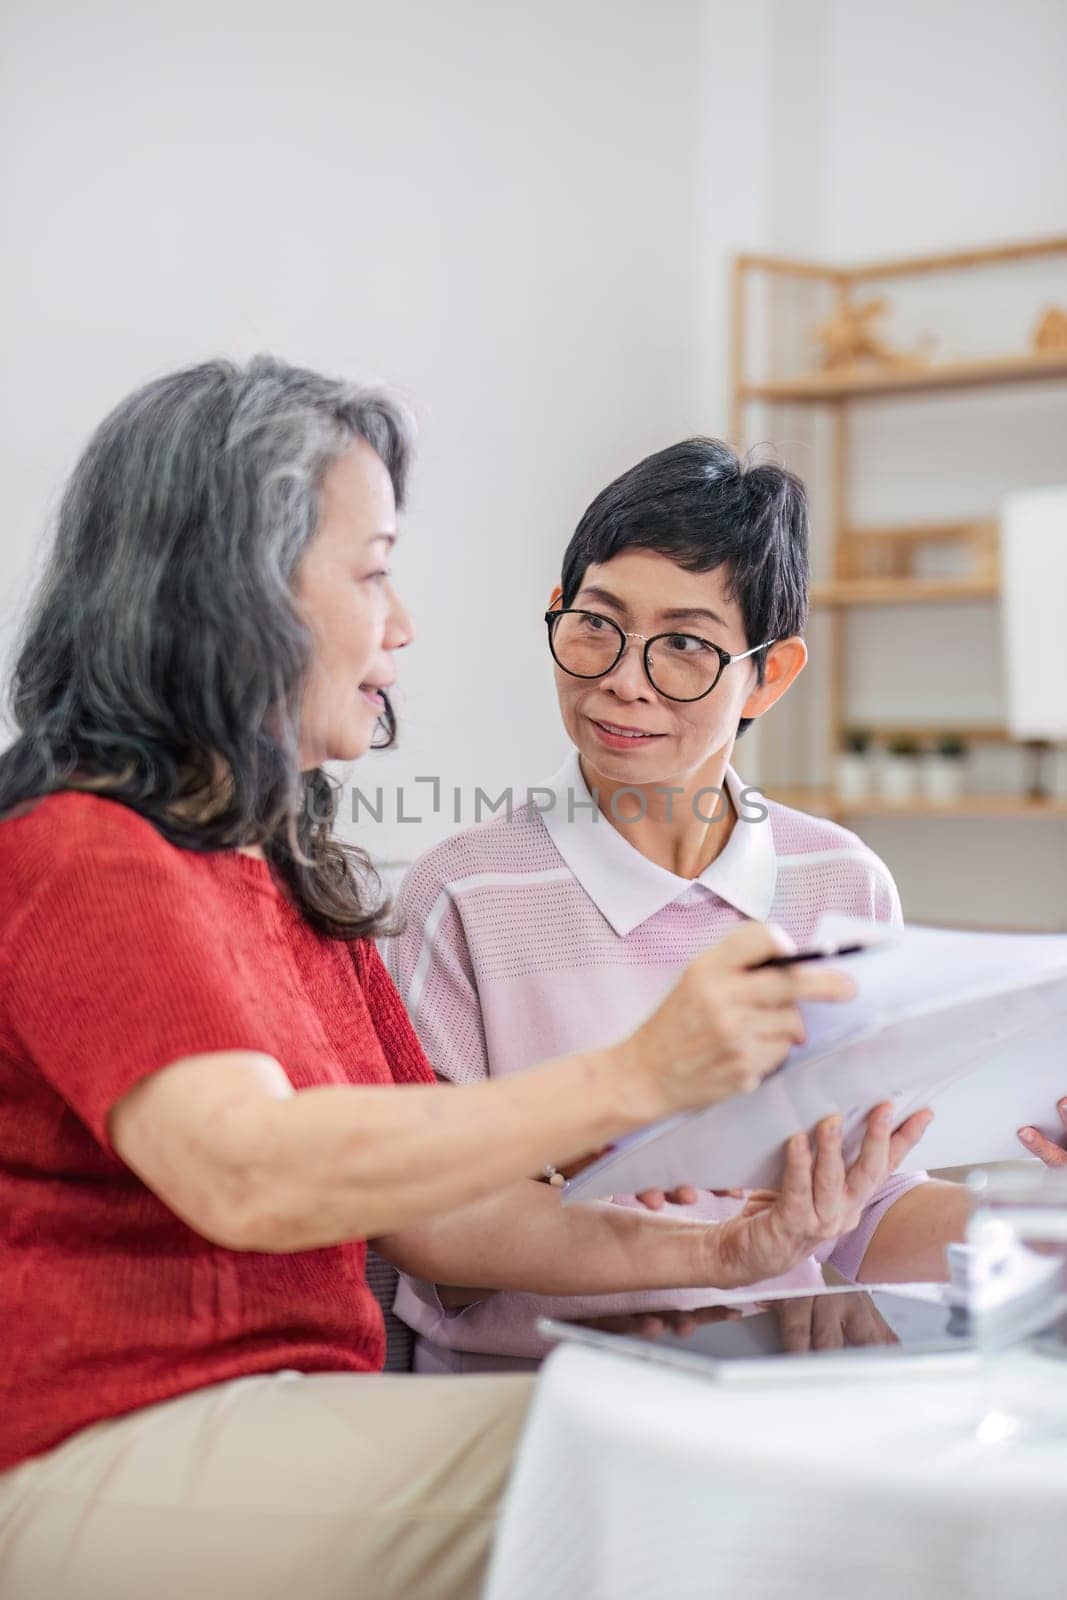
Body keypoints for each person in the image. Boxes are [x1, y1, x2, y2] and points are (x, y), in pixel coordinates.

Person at [0, 359, 867, 1600]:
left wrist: (738, 1250)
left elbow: (450, 1221)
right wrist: (633, 1076)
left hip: (293, 1422)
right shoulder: (81, 851)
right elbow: (248, 1165)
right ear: (233, 593)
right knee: (676, 1470)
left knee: (717, 1451)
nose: (401, 627)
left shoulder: (285, 875)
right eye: (370, 572)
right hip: (103, 1435)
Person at [389, 438, 972, 1373]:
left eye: (686, 647)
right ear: (556, 614)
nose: (624, 678)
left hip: (773, 1381)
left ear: (769, 677)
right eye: (596, 625)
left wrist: (1029, 1221)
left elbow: (857, 1213)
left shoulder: (839, 882)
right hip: (533, 1391)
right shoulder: (462, 893)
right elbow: (438, 1244)